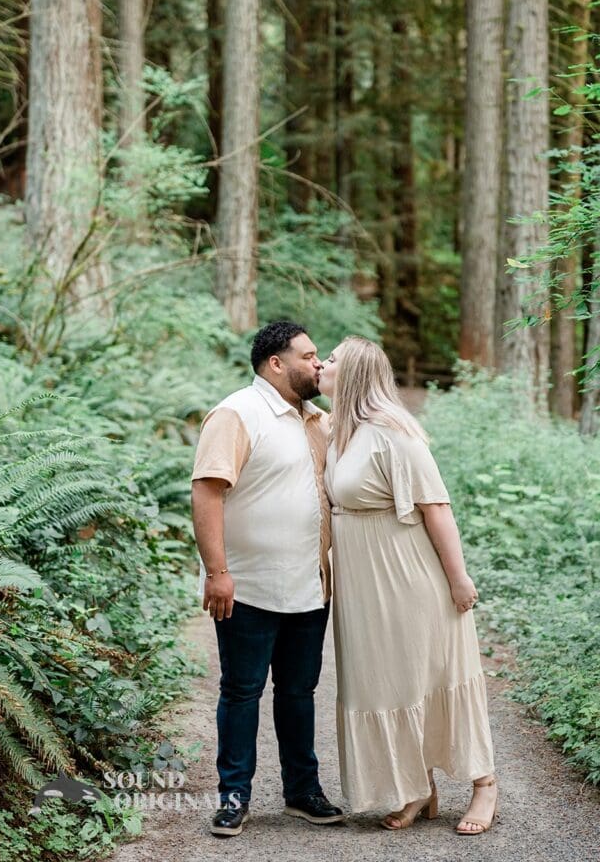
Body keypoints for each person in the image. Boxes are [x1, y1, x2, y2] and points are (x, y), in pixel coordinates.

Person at [318, 336, 498, 835]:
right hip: (363, 582)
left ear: (352, 373)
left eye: (331, 359)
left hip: (408, 576)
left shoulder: (395, 433)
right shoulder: (337, 430)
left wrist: (459, 579)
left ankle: (484, 785)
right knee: (385, 680)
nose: (321, 364)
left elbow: (436, 507)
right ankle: (418, 788)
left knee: (435, 674)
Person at [190, 320, 344, 837]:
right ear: (276, 363)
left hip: (310, 585)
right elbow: (207, 492)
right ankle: (234, 797)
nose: (318, 364)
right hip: (249, 587)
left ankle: (303, 791)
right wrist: (217, 573)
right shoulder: (238, 413)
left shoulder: (317, 421)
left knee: (300, 692)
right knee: (241, 691)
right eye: (309, 355)